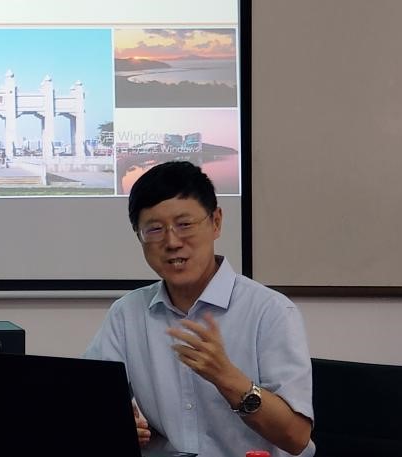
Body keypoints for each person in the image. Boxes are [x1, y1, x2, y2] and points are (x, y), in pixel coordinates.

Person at [84, 161, 314, 456]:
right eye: (154, 229)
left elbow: (296, 438)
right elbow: (87, 403)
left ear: (216, 222)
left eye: (185, 225)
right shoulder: (127, 314)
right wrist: (113, 421)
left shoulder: (271, 312)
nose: (172, 242)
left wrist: (226, 377)